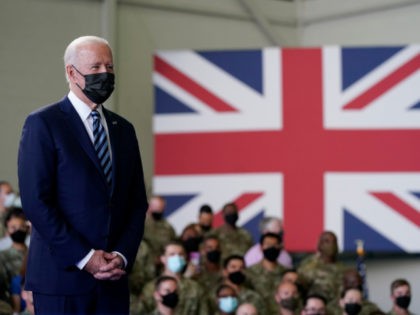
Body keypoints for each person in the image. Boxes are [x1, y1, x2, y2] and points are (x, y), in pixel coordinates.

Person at [17, 35, 148, 314]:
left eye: (110, 67)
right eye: (96, 67)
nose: (105, 74)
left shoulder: (123, 130)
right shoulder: (43, 124)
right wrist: (86, 257)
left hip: (112, 282)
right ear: (71, 73)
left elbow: (136, 203)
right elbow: (36, 203)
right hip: (61, 280)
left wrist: (122, 257)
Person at [135, 241, 209, 315]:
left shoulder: (196, 288)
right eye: (172, 254)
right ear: (162, 258)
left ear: (185, 258)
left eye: (180, 254)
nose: (177, 258)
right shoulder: (150, 288)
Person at [298, 231, 345, 303]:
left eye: (334, 242)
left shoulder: (343, 268)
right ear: (320, 245)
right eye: (327, 241)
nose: (332, 244)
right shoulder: (309, 267)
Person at [246, 233, 287, 314]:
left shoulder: (286, 273)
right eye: (268, 245)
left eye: (275, 245)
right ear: (261, 247)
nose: (272, 248)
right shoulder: (249, 273)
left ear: (280, 247)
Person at [143, 195, 177, 272]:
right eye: (155, 207)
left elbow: (174, 244)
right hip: (144, 265)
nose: (158, 210)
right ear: (149, 207)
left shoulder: (168, 227)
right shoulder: (141, 225)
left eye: (160, 207)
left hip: (163, 265)